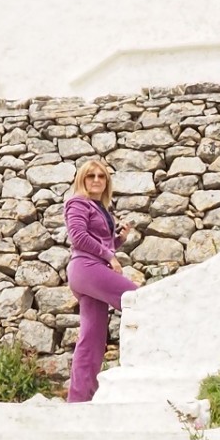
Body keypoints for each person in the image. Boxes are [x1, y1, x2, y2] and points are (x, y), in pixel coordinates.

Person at [63, 159, 137, 403]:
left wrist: (119, 241)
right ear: (81, 180)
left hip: (90, 270)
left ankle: (79, 401)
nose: (96, 180)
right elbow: (78, 237)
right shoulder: (77, 202)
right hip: (87, 268)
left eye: (101, 176)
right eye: (90, 176)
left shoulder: (100, 207)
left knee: (92, 340)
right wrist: (110, 256)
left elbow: (101, 244)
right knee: (140, 302)